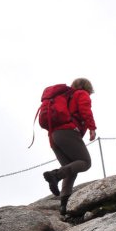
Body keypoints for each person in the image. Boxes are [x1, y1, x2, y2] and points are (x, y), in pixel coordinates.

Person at [41, 78, 97, 216]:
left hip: (54, 137)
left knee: (70, 169)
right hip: (67, 131)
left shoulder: (63, 97)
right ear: (87, 87)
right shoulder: (81, 94)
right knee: (85, 162)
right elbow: (85, 110)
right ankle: (55, 175)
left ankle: (64, 204)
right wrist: (92, 127)